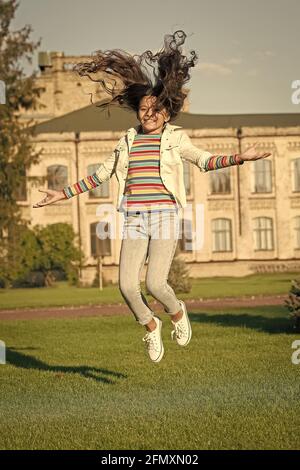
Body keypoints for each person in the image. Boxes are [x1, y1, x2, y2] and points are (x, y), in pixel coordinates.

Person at [33, 30, 272, 363]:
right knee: (127, 286)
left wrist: (239, 157)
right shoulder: (128, 140)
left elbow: (203, 160)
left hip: (164, 216)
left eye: (155, 109)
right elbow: (100, 175)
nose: (148, 113)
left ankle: (177, 313)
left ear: (166, 112)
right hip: (134, 217)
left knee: (157, 284)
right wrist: (62, 193)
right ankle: (150, 325)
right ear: (138, 112)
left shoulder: (175, 138)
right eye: (144, 109)